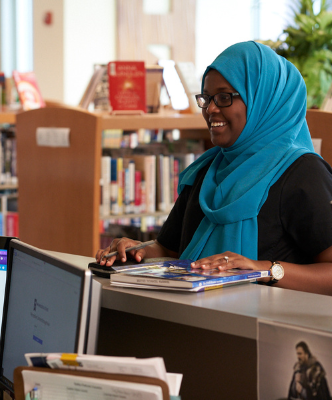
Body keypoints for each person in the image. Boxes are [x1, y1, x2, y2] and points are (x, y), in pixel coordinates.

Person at [96, 41, 332, 296]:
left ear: (262, 99)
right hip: (192, 321)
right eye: (206, 98)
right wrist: (137, 250)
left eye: (224, 97)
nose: (210, 109)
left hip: (262, 330)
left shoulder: (302, 173)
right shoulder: (205, 169)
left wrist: (263, 270)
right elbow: (171, 250)